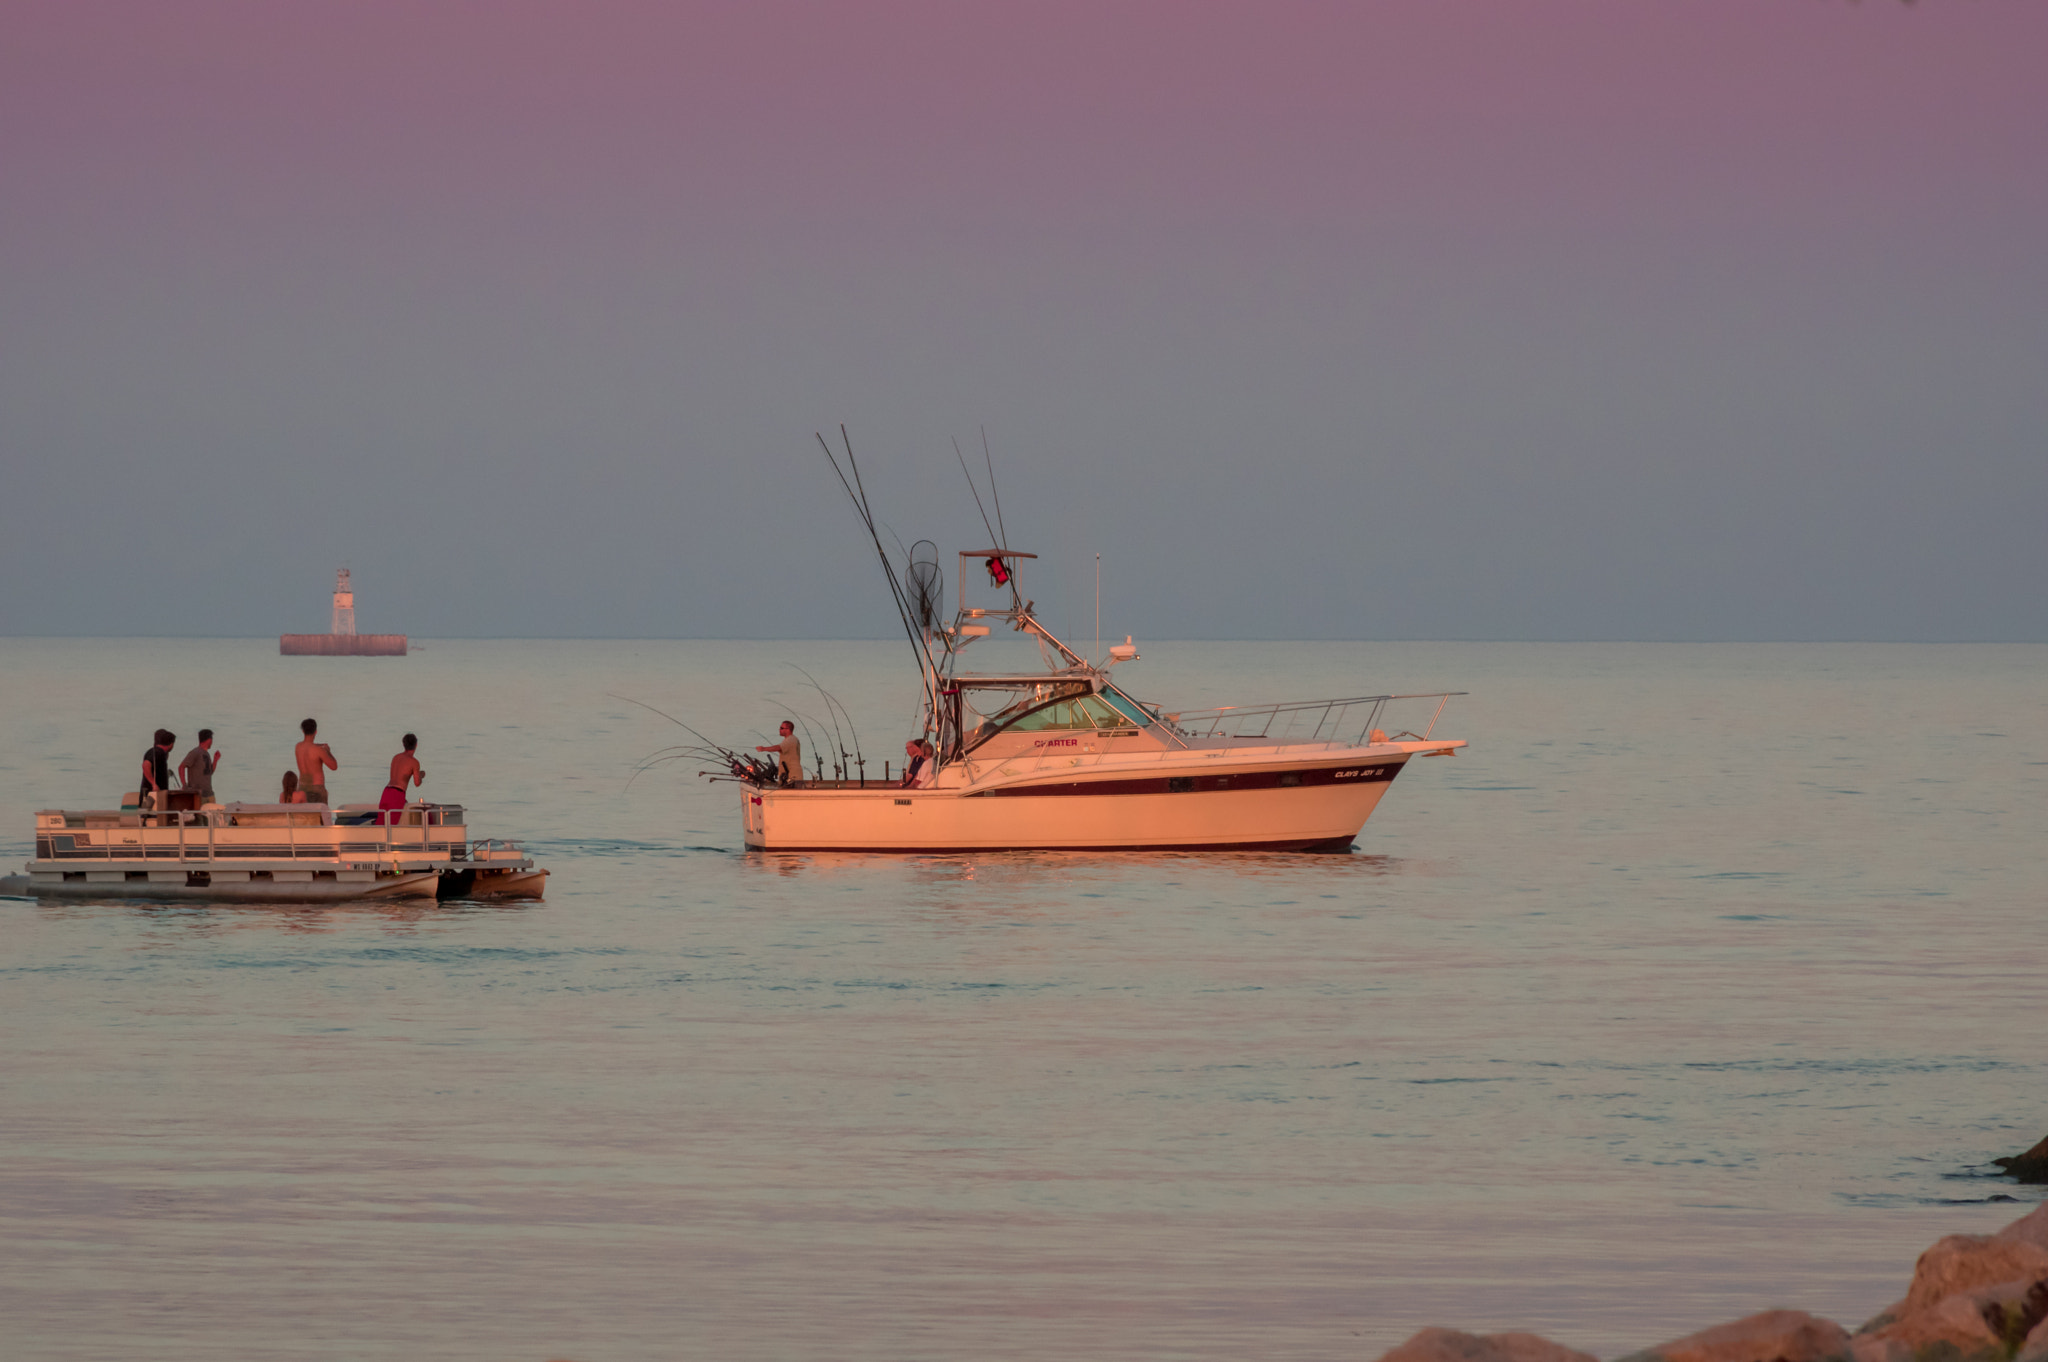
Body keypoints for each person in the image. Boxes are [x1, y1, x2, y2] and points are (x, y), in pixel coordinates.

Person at [381, 733, 425, 822]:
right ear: (416, 745)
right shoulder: (414, 762)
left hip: (386, 792)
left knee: (381, 823)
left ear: (403, 744)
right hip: (397, 794)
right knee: (391, 824)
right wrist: (421, 775)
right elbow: (417, 783)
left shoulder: (396, 758)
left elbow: (397, 777)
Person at [295, 718, 336, 805]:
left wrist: (319, 746)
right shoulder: (319, 750)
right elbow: (334, 766)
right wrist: (328, 751)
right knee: (321, 817)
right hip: (317, 789)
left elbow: (309, 747)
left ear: (303, 731)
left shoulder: (298, 747)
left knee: (304, 817)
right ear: (316, 731)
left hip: (302, 788)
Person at [178, 729, 223, 801]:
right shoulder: (195, 752)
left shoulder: (207, 754)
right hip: (198, 794)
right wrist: (184, 784)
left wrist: (215, 760)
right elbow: (181, 767)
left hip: (209, 793)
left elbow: (210, 772)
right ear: (209, 740)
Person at [756, 720, 803, 787]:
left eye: (781, 728)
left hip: (793, 777)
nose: (779, 729)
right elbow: (782, 749)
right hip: (788, 777)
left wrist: (763, 749)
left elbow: (778, 748)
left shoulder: (791, 739)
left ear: (788, 729)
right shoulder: (788, 740)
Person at [138, 729, 176, 809]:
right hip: (151, 795)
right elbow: (146, 765)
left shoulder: (160, 753)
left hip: (157, 794)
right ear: (171, 744)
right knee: (149, 817)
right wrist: (153, 783)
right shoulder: (157, 752)